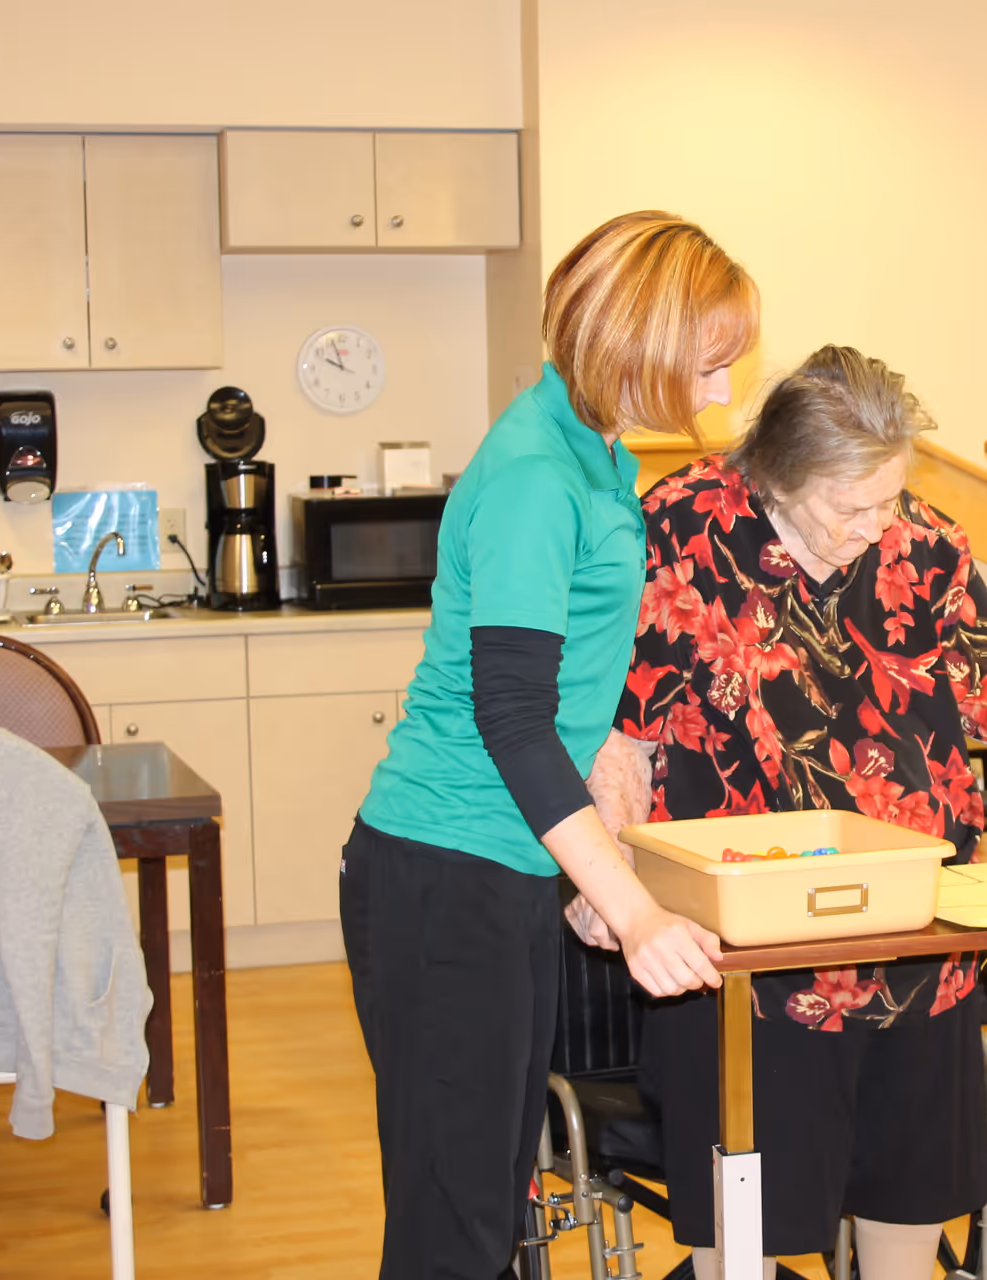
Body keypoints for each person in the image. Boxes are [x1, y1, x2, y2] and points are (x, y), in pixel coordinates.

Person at [580, 345, 987, 1280]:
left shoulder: (920, 545)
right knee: (748, 1248)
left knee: (911, 1218)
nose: (876, 525)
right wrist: (613, 877)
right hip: (751, 974)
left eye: (890, 498)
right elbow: (623, 735)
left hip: (918, 951)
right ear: (777, 476)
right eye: (851, 507)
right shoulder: (683, 530)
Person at [340, 211, 755, 1279]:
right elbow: (514, 714)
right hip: (448, 869)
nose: (721, 391)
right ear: (640, 345)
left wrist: (600, 837)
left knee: (488, 1199)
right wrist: (630, 903)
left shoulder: (594, 451)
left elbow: (575, 685)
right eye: (710, 364)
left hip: (507, 860)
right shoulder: (537, 473)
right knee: (454, 1223)